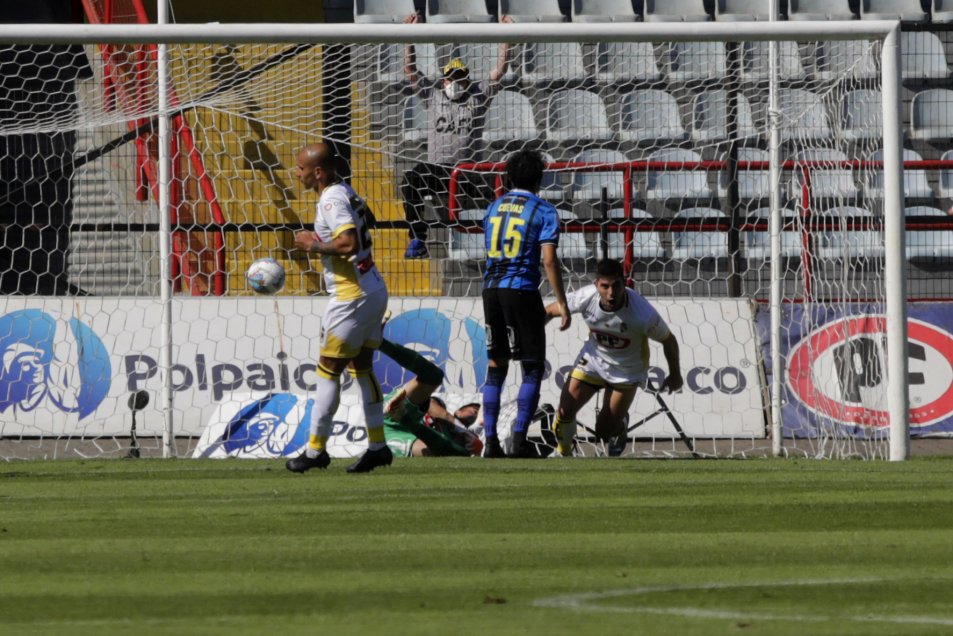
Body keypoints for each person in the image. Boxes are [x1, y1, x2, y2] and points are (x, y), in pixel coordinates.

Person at [286, 142, 391, 474]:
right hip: (372, 286)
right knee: (362, 367)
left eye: (301, 168)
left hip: (351, 296)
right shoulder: (345, 191)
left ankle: (316, 451)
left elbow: (348, 242)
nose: (297, 173)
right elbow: (367, 220)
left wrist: (312, 245)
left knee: (328, 370)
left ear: (318, 172)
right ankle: (378, 447)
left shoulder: (331, 198)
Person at [400, 12, 514, 259]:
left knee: (505, 187)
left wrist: (506, 37)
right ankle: (418, 238)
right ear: (443, 81)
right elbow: (410, 70)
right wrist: (409, 35)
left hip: (469, 172)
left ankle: (505, 243)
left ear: (467, 80)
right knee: (410, 179)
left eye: (461, 78)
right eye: (451, 78)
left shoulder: (478, 95)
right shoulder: (433, 96)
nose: (456, 82)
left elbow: (500, 71)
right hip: (438, 170)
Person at [544, 258, 683, 457]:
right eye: (605, 286)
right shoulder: (586, 296)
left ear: (624, 282)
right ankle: (563, 455)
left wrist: (675, 374)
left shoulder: (642, 314)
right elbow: (549, 310)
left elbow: (669, 340)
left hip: (626, 371)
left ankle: (620, 425)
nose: (611, 293)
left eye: (616, 285)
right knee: (564, 412)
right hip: (592, 362)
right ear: (596, 285)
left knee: (603, 432)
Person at [481, 149, 570, 458]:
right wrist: (561, 302)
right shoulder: (544, 210)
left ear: (508, 177)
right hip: (521, 289)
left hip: (491, 289)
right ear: (539, 179)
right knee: (531, 367)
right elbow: (548, 259)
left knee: (496, 367)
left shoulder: (492, 208)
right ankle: (519, 441)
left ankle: (490, 442)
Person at [378, 336, 483, 458]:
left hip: (396, 436)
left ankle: (405, 419)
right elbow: (436, 409)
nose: (474, 417)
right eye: (475, 411)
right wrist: (464, 431)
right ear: (458, 410)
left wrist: (470, 446)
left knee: (447, 454)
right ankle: (380, 343)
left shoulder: (454, 439)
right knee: (434, 375)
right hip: (393, 414)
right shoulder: (442, 408)